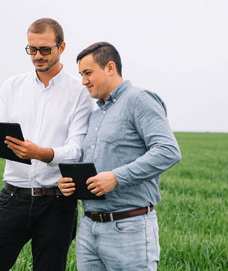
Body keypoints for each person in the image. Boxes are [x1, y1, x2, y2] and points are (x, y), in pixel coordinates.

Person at [0, 18, 94, 270]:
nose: (37, 55)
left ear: (61, 48)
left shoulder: (79, 91)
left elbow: (76, 149)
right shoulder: (12, 85)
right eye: (32, 49)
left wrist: (41, 153)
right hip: (12, 196)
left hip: (57, 203)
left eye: (45, 49)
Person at [58, 42, 181, 270]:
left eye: (88, 73)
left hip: (128, 229)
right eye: (81, 74)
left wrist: (116, 177)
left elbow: (168, 151)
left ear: (110, 67)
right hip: (88, 227)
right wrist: (71, 184)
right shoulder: (95, 115)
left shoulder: (139, 100)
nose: (83, 81)